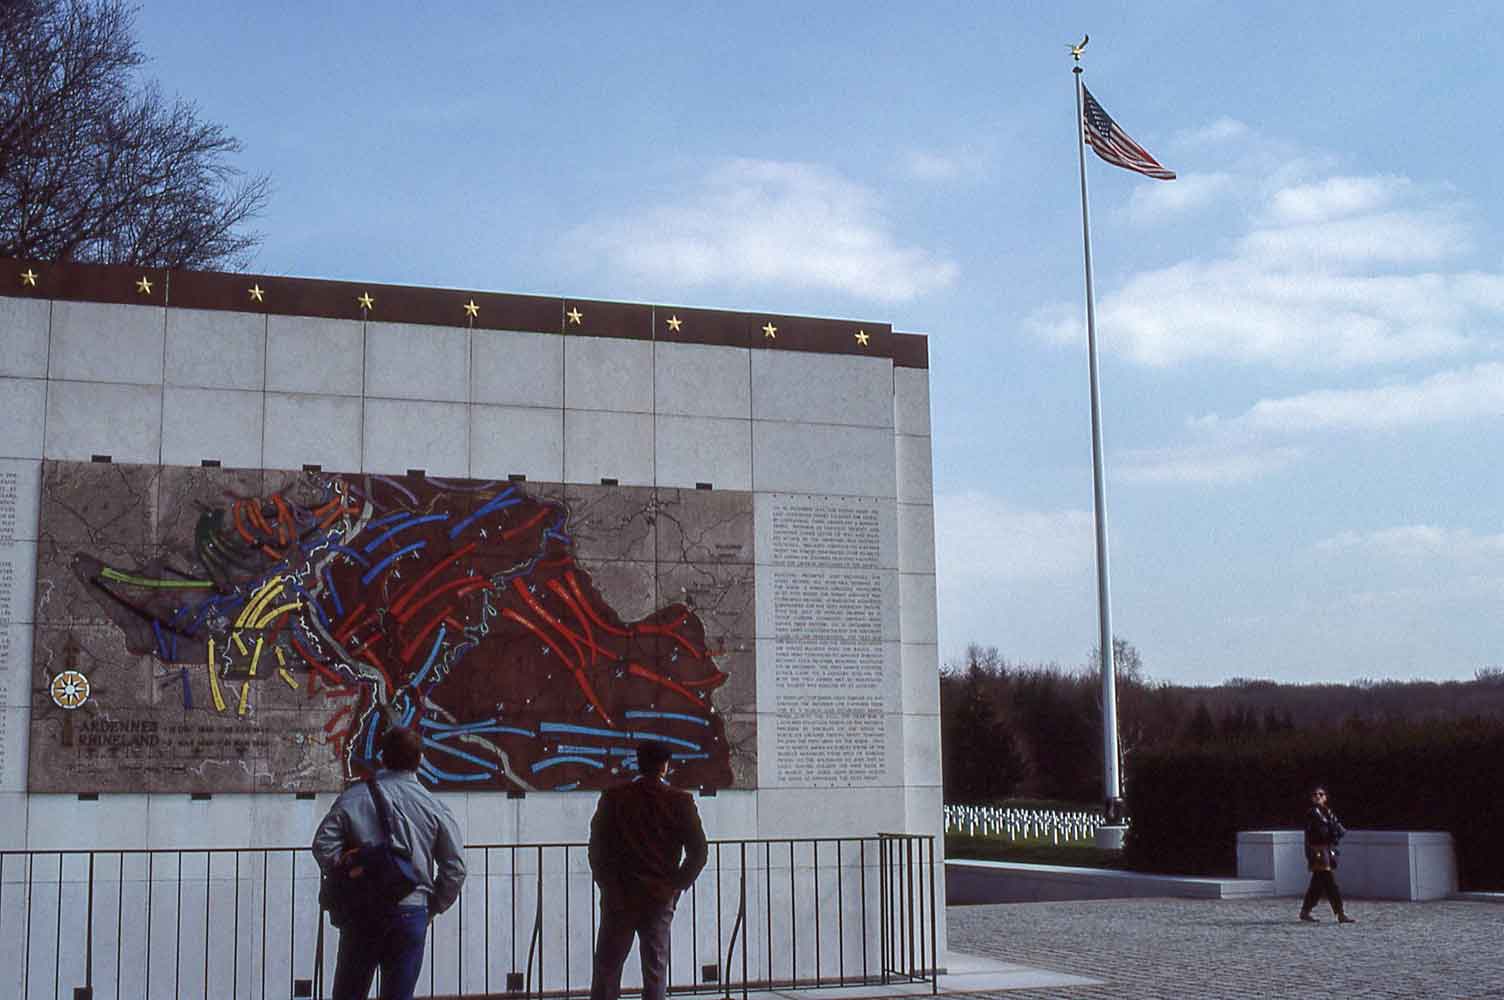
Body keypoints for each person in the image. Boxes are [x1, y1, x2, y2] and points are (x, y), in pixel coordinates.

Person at [313, 727, 467, 1000]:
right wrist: (432, 906)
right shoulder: (434, 806)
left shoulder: (354, 798)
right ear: (419, 760)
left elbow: (323, 846)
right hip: (411, 912)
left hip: (362, 912)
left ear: (382, 757)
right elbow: (455, 868)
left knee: (349, 992)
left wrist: (353, 870)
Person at [588, 739, 709, 1000]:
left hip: (619, 897)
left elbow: (597, 851)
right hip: (658, 897)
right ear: (665, 767)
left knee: (607, 970)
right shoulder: (680, 802)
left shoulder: (613, 798)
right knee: (655, 972)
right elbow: (699, 852)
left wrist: (609, 887)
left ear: (638, 763)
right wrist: (674, 887)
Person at [1299, 784, 1355, 924]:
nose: (1318, 796)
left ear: (1325, 797)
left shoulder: (1328, 812)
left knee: (1318, 884)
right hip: (1318, 851)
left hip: (1327, 851)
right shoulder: (1312, 813)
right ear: (1312, 798)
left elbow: (1340, 831)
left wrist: (1332, 833)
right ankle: (1340, 913)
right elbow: (1321, 833)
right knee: (1330, 883)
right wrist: (1331, 832)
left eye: (1321, 794)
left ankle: (1305, 911)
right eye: (1315, 794)